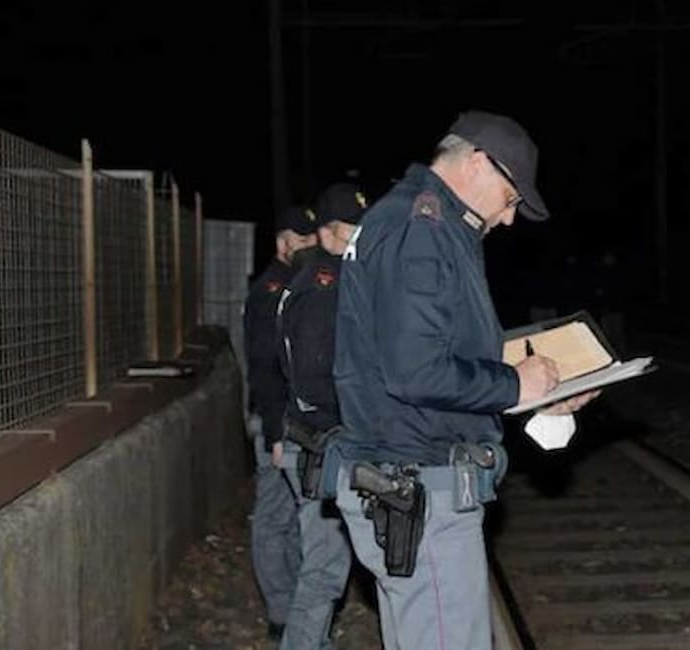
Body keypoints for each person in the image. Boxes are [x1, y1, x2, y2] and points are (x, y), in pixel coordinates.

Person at [327, 110, 595, 648]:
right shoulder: (421, 229)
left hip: (409, 478)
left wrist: (538, 391)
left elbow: (437, 354)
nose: (511, 218)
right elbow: (416, 370)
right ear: (477, 163)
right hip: (420, 483)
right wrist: (515, 384)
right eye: (512, 197)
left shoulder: (422, 223)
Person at [274, 184, 366, 648]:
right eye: (353, 232)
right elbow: (314, 376)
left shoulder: (320, 278)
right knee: (325, 569)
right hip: (318, 444)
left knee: (326, 564)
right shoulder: (325, 286)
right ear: (328, 234)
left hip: (314, 440)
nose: (361, 242)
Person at [244, 205, 316, 640]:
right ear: (283, 243)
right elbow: (263, 365)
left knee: (291, 518)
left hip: (289, 422)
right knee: (274, 517)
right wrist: (274, 430)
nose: (312, 248)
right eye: (304, 241)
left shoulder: (296, 284)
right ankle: (281, 614)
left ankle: (292, 610)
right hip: (277, 424)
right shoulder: (272, 290)